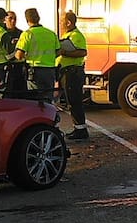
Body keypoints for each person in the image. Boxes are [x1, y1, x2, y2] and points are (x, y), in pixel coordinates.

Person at [57, 11, 89, 140]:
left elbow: (82, 52)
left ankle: (81, 131)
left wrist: (64, 52)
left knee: (75, 101)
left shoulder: (76, 35)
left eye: (62, 21)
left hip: (73, 73)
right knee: (72, 101)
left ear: (69, 23)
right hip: (68, 72)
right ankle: (78, 129)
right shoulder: (68, 35)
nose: (60, 23)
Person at [14, 8, 59, 100]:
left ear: (27, 20)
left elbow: (19, 55)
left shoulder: (27, 34)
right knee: (48, 98)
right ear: (38, 18)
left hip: (34, 71)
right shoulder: (51, 33)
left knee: (35, 99)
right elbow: (58, 52)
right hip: (50, 70)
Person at [1, 10, 27, 95]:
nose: (13, 21)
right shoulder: (1, 33)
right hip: (4, 65)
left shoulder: (21, 33)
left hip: (18, 66)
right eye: (10, 18)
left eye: (15, 19)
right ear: (4, 20)